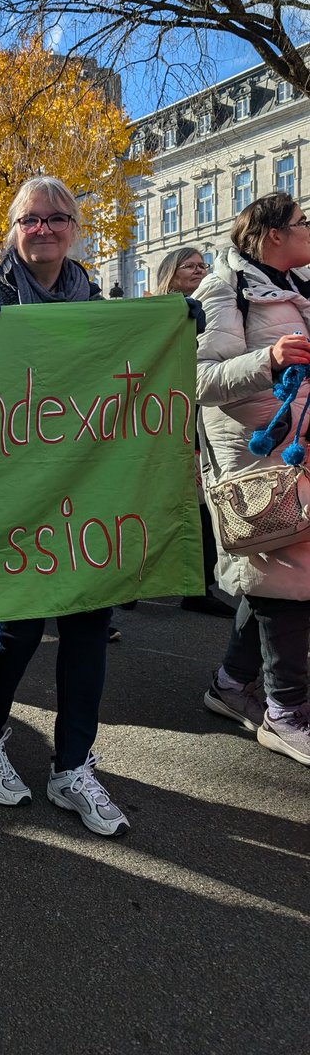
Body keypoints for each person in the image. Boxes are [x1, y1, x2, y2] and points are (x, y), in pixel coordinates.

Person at [0, 176, 130, 836]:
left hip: (86, 488)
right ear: (14, 230)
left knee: (87, 626)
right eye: (31, 219)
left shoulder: (99, 302)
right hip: (13, 491)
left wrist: (173, 321)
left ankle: (73, 766)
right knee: (19, 626)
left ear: (75, 227)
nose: (45, 228)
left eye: (58, 218)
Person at [194, 192, 310, 764]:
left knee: (273, 575)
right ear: (270, 236)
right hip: (259, 461)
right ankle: (286, 713)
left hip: (300, 452)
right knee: (287, 578)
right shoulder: (223, 288)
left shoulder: (299, 287)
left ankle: (231, 683)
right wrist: (269, 360)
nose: (309, 229)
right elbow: (200, 378)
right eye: (300, 222)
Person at [154, 246, 235, 619]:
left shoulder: (216, 305)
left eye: (204, 265)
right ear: (171, 274)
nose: (200, 270)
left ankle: (198, 586)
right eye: (191, 265)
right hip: (159, 423)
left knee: (199, 508)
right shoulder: (152, 315)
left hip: (197, 421)